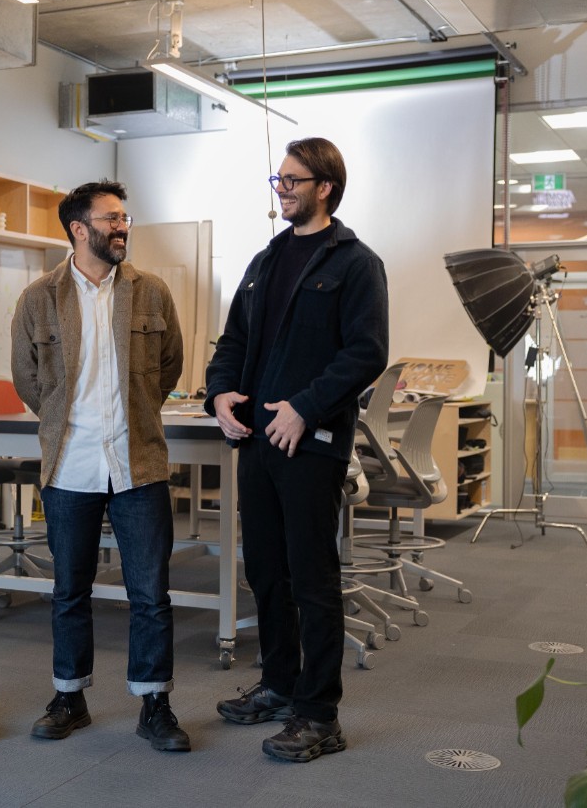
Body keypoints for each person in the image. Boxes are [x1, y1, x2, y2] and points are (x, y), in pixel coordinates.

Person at [205, 137, 388, 763]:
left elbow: (365, 353)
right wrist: (219, 394)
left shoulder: (356, 263)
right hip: (257, 439)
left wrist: (306, 407)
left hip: (311, 443)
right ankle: (280, 684)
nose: (280, 189)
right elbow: (233, 340)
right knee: (265, 572)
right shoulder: (266, 259)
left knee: (313, 578)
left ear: (324, 187)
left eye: (291, 180)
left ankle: (319, 713)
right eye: (277, 180)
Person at [11, 180, 190, 752]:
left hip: (138, 460)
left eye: (124, 218)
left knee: (151, 593)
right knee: (70, 590)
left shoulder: (151, 292)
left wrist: (134, 414)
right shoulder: (39, 298)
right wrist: (63, 420)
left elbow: (169, 367)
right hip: (70, 464)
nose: (122, 227)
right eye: (111, 218)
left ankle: (154, 702)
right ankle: (70, 697)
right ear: (78, 229)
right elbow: (28, 379)